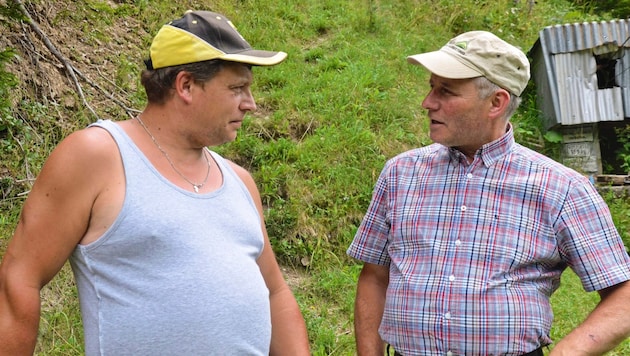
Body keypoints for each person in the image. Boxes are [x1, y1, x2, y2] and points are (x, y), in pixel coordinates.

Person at [0, 10, 310, 355]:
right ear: (186, 85)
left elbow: (276, 294)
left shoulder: (239, 182)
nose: (250, 104)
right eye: (237, 88)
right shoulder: (98, 156)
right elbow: (19, 280)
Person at [347, 30, 630, 356]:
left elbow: (623, 294)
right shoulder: (400, 174)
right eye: (431, 87)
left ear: (496, 102)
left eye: (446, 91)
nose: (428, 103)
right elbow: (374, 277)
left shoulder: (561, 188)